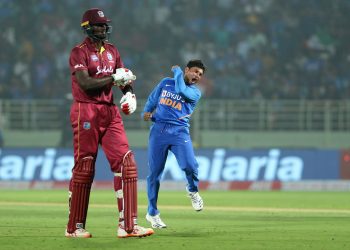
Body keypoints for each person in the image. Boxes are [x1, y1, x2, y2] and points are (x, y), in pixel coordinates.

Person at [65, 8, 153, 238]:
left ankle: (128, 226)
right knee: (85, 167)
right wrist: (114, 79)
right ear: (87, 27)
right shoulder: (79, 52)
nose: (103, 29)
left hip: (109, 111)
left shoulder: (113, 50)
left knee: (127, 163)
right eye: (98, 25)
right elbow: (85, 83)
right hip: (86, 109)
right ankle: (74, 227)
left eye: (104, 25)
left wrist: (130, 93)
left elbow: (123, 76)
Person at [142, 60, 206, 229]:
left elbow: (180, 89)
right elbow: (153, 99)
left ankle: (192, 190)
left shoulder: (195, 93)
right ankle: (152, 213)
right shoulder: (165, 83)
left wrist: (177, 71)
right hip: (159, 131)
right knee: (154, 174)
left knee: (190, 166)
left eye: (200, 75)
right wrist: (146, 111)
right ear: (188, 70)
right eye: (195, 72)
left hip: (179, 132)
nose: (197, 76)